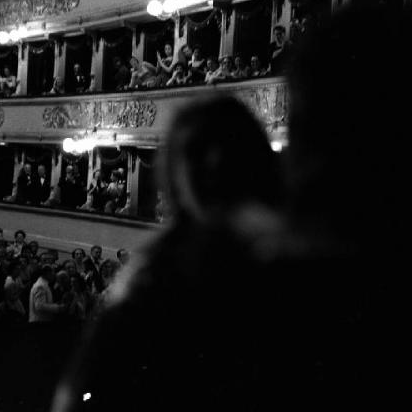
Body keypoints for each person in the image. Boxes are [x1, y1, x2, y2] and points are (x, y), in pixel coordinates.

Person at [52, 94, 281, 411]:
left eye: (223, 154)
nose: (213, 166)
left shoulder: (279, 252)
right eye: (199, 155)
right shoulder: (154, 270)